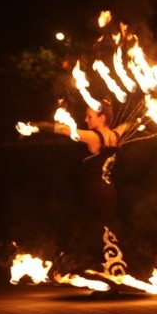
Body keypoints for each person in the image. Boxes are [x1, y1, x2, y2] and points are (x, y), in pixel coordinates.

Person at [32, 98, 135, 276]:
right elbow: (128, 125)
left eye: (90, 116)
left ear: (102, 118)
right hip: (110, 193)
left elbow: (64, 129)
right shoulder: (116, 135)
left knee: (91, 233)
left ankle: (97, 273)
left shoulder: (94, 137)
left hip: (95, 194)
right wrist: (142, 120)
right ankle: (114, 271)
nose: (86, 120)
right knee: (107, 231)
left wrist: (37, 125)